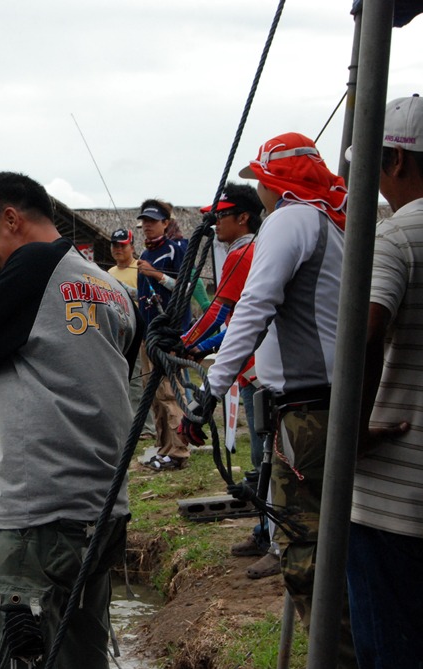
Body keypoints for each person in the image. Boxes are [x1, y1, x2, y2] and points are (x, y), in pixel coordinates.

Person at [0, 172, 140, 669]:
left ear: (12, 219)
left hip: (42, 515)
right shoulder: (109, 286)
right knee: (77, 655)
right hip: (105, 509)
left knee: (6, 655)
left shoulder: (34, 265)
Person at [179, 132, 356, 667]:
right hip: (324, 405)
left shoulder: (291, 220)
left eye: (262, 182)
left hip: (306, 413)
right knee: (326, 548)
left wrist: (210, 392)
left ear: (276, 183)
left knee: (306, 557)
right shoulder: (330, 221)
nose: (261, 193)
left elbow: (254, 307)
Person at [347, 94, 423, 669]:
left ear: (397, 161)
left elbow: (364, 330)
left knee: (390, 648)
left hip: (398, 492)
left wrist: (354, 430)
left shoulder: (397, 236)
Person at [179, 183, 276, 578]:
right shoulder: (241, 252)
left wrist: (185, 341)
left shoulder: (246, 254)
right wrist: (200, 349)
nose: (216, 223)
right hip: (252, 366)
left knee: (266, 453)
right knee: (262, 453)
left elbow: (220, 312)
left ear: (243, 219)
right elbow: (233, 322)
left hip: (261, 369)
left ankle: (272, 534)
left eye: (222, 215)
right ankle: (264, 529)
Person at [136, 199, 189, 470]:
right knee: (154, 395)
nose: (147, 226)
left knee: (170, 392)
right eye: (144, 221)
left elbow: (187, 286)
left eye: (153, 221)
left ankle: (179, 450)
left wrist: (156, 275)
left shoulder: (177, 248)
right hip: (149, 333)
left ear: (166, 223)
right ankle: (164, 447)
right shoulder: (145, 255)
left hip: (169, 332)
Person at [107, 228, 157, 439]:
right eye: (115, 245)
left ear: (132, 247)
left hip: (140, 332)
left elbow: (151, 297)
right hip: (116, 333)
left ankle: (145, 427)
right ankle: (127, 424)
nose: (118, 249)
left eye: (123, 245)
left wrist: (125, 290)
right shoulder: (108, 273)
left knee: (139, 380)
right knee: (119, 380)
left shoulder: (141, 268)